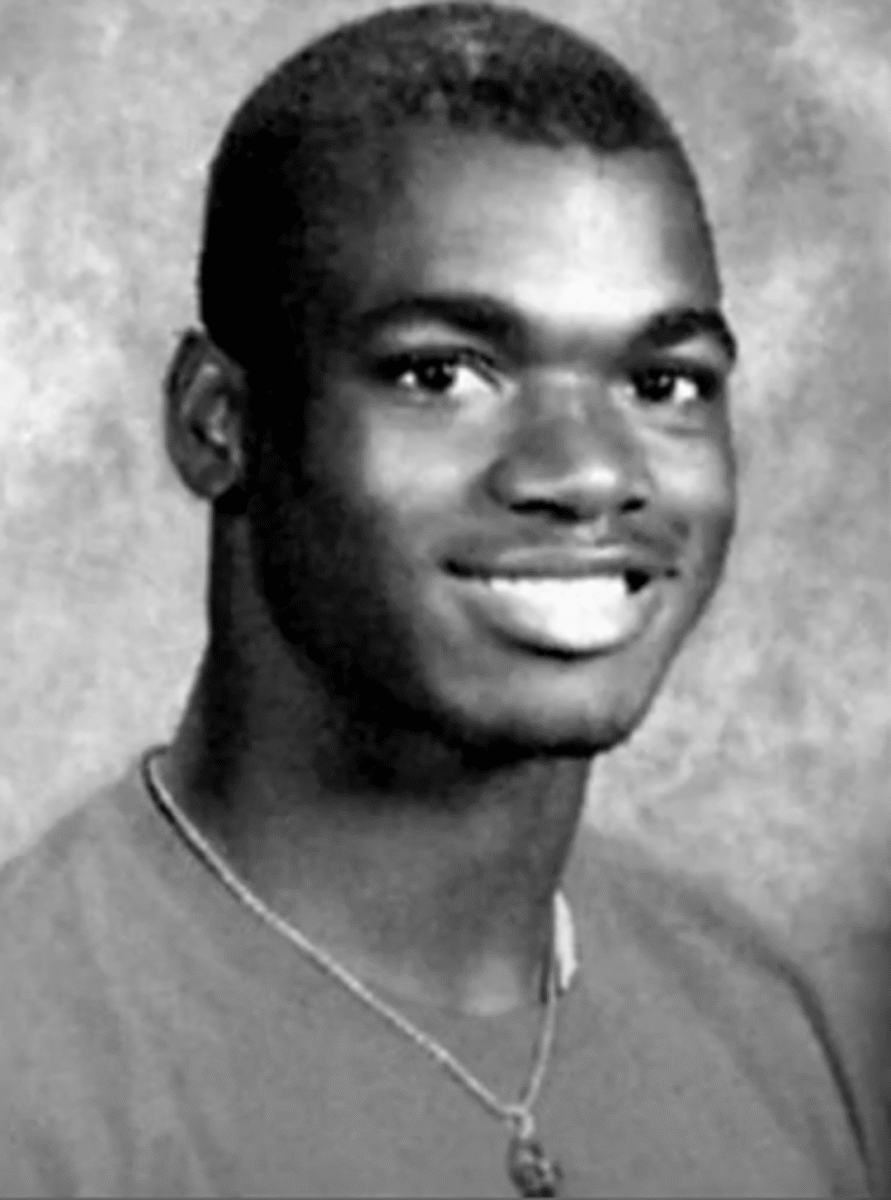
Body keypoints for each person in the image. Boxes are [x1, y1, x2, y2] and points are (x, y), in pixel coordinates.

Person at [0, 3, 887, 1196]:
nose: (585, 472)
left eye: (663, 380)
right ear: (218, 422)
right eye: (441, 373)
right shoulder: (35, 1076)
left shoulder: (762, 1016)